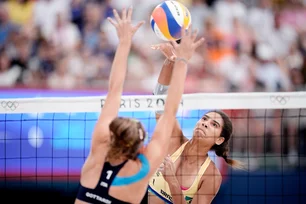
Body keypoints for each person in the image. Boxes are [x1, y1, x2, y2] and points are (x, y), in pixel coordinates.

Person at [75, 7, 205, 204]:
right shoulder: (142, 169)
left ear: (112, 136)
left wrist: (125, 41)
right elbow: (169, 111)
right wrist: (182, 59)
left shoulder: (99, 150)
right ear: (139, 147)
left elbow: (114, 91)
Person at [148, 43, 244, 204]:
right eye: (205, 119)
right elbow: (159, 103)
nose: (205, 124)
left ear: (219, 139)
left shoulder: (211, 175)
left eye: (214, 124)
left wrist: (172, 180)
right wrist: (170, 62)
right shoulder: (176, 141)